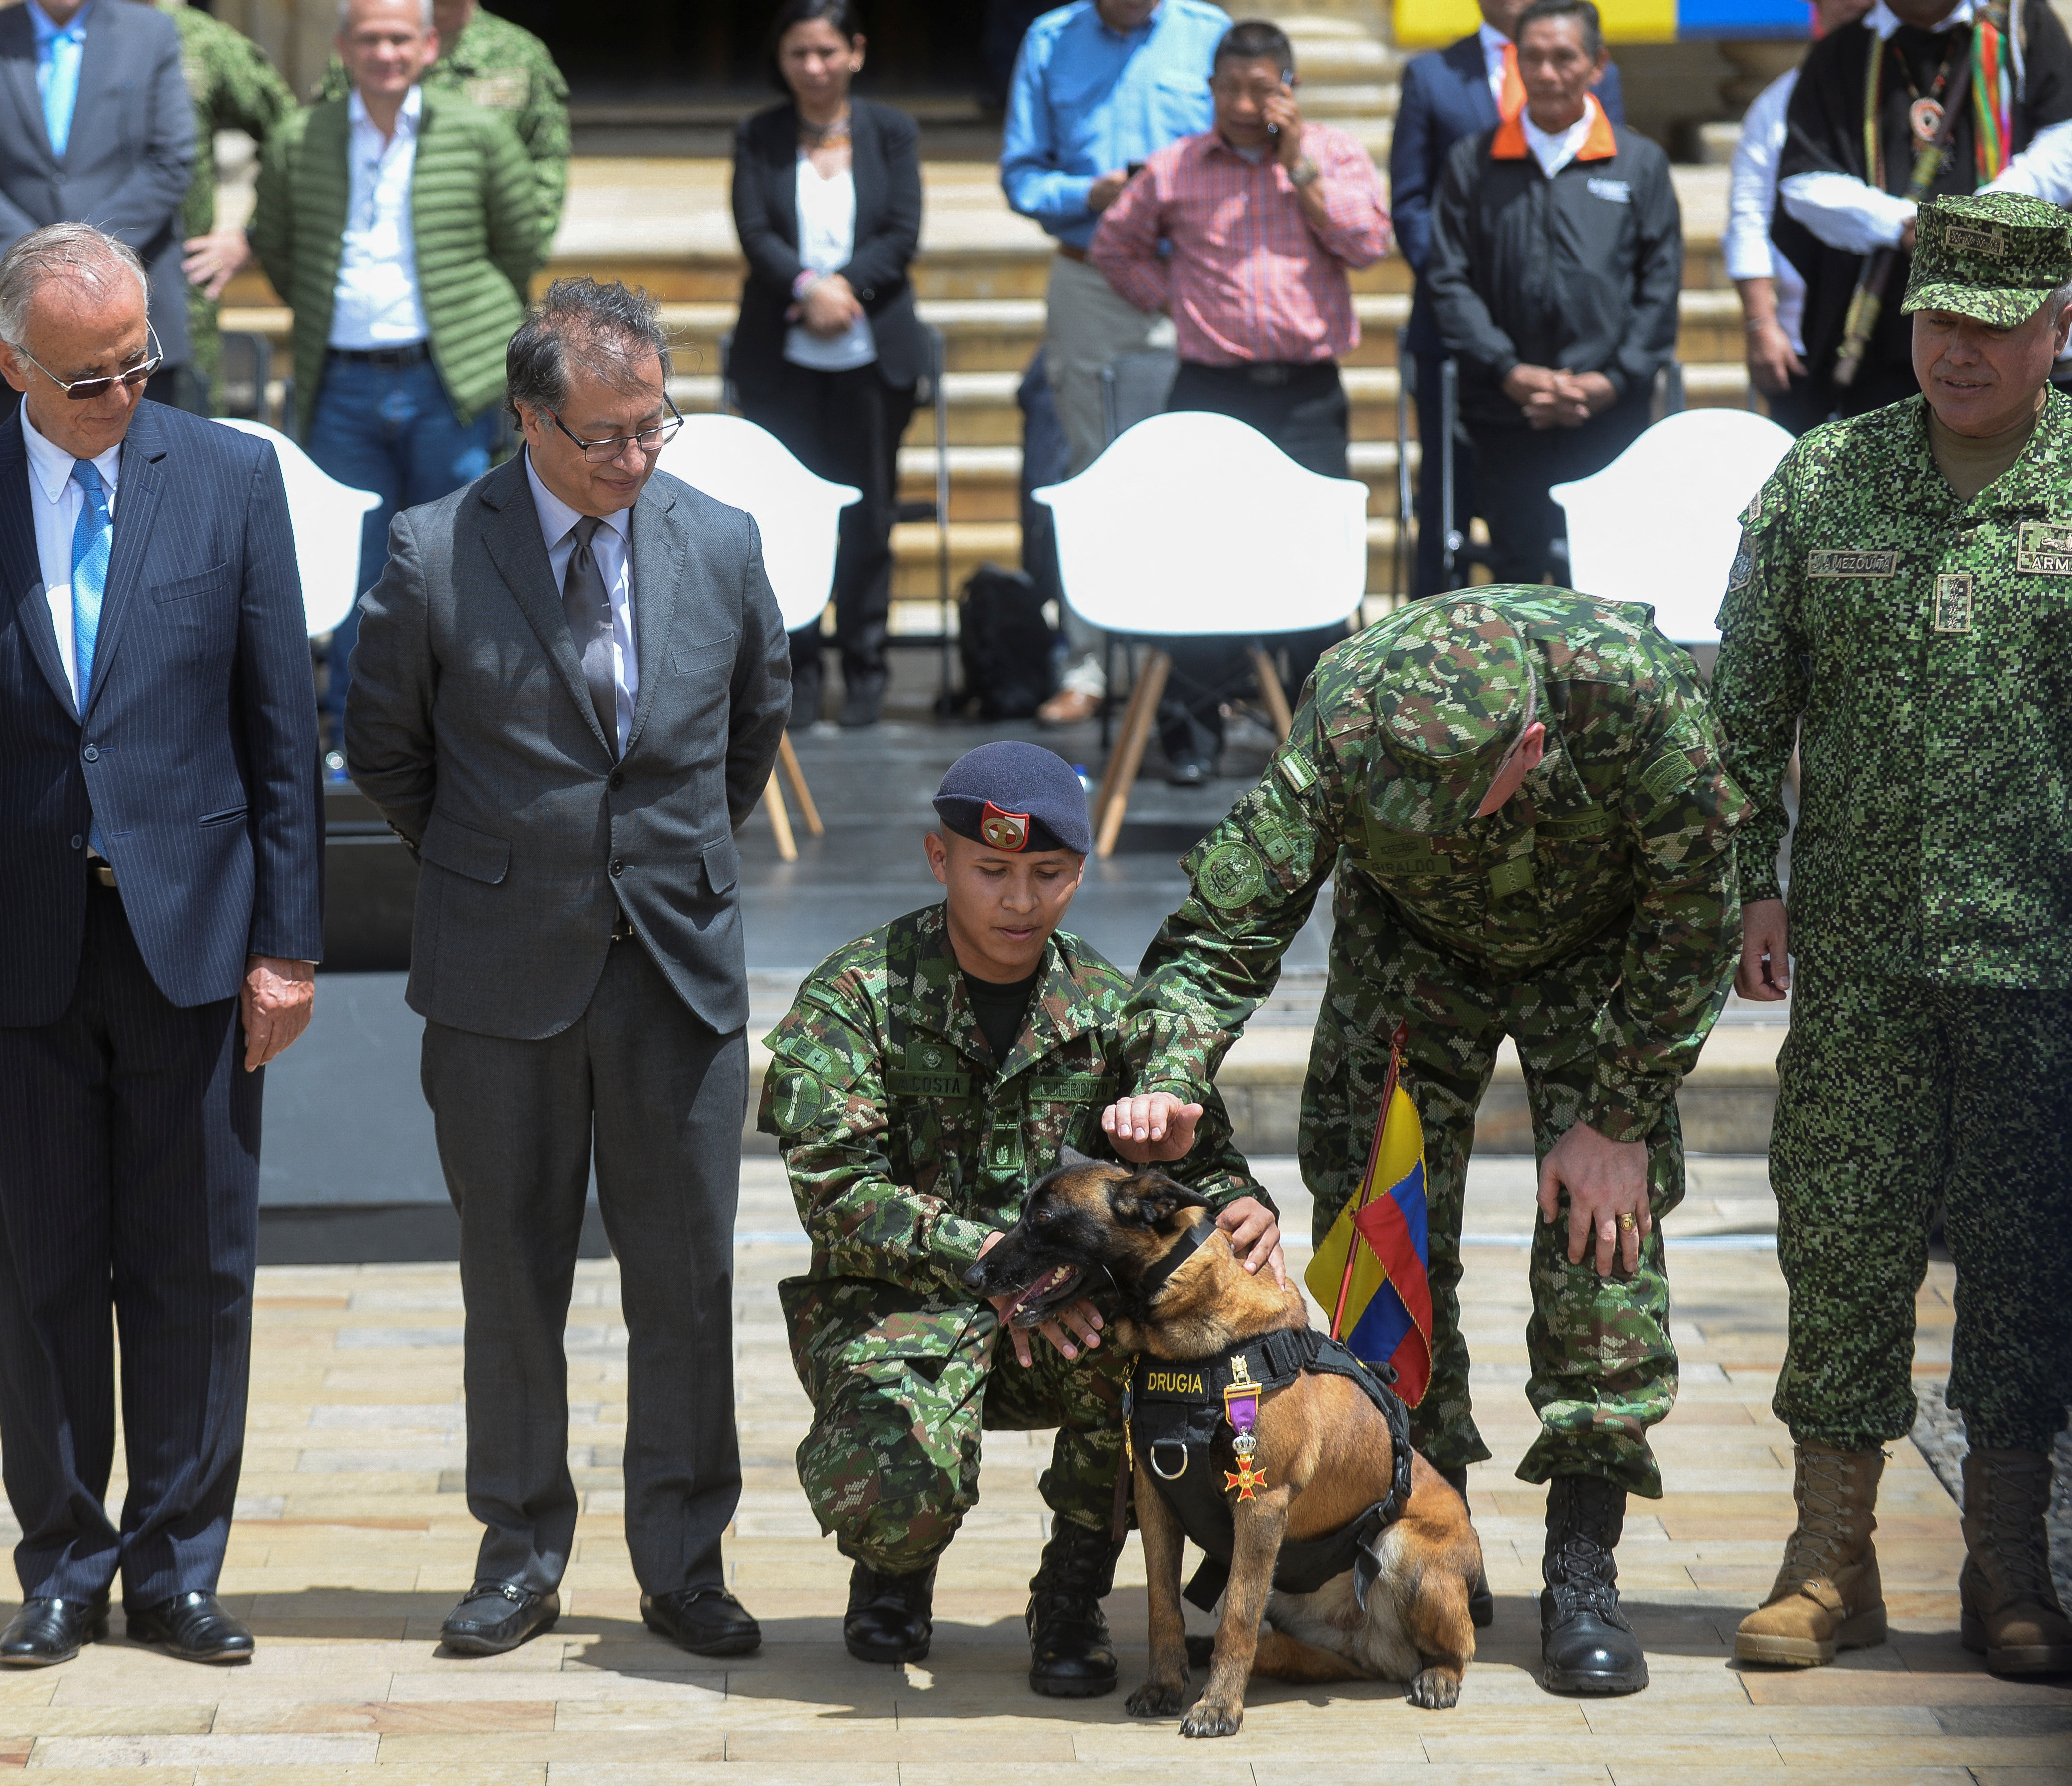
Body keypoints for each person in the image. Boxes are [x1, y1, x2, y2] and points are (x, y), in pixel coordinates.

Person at [1116, 587, 1749, 1697]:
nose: (1427, 827)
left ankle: (1581, 1559)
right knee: (1376, 1242)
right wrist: (1170, 1067)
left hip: (1597, 958)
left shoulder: (1641, 701)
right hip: (1409, 961)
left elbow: (1695, 915)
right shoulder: (1347, 710)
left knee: (1601, 1235)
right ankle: (1411, 1526)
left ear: (1533, 745)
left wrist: (1618, 1111)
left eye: (1450, 804)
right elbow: (1226, 920)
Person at [0, 223, 321, 1671]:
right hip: (12, 958)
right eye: (87, 380)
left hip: (194, 944)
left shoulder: (234, 478)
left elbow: (279, 742)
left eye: (140, 365)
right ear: (8, 366)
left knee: (195, 1266)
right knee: (46, 1269)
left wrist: (289, 945)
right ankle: (64, 1559)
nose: (121, 396)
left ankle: (178, 1565)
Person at [342, 278, 789, 1661]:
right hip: (498, 972)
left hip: (675, 967)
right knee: (512, 1275)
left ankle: (684, 1558)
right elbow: (384, 747)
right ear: (530, 419)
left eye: (655, 426)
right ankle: (521, 1549)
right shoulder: (429, 548)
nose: (634, 458)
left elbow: (750, 726)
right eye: (603, 435)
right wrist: (498, 860)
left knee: (684, 1277)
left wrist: (661, 859)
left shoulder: (719, 538)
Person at [1712, 193, 2072, 1680]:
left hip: (2038, 964)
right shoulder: (1822, 483)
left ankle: (2004, 1564)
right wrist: (1750, 876)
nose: (1956, 351)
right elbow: (1742, 701)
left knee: (2021, 1263)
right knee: (1841, 1248)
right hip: (1856, 960)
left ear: (2055, 326)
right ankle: (1827, 1557)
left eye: (1991, 326)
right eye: (1935, 319)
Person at [762, 741, 1286, 1696]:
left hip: (1064, 1318)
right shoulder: (855, 996)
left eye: (1047, 874)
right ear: (938, 859)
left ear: (1080, 873)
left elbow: (1182, 1151)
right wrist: (998, 1258)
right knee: (890, 1491)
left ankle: (1075, 1593)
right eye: (991, 870)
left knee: (1147, 1358)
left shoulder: (1102, 1004)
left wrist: (1244, 1196)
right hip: (899, 1307)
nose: (1018, 900)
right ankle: (894, 1567)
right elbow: (836, 1188)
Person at [1089, 16, 1386, 783]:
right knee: (1198, 555)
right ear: (1211, 89)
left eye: (1262, 90)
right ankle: (1191, 735)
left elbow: (1368, 245)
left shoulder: (1334, 154)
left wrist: (1300, 170)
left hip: (1306, 391)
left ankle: (1317, 733)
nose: (1245, 105)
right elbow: (1113, 246)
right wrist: (1174, 303)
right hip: (1210, 391)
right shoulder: (1176, 166)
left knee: (1311, 553)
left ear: (1289, 90)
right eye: (1229, 88)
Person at [250, 0, 540, 747]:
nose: (385, 52)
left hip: (444, 383)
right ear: (343, 46)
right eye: (369, 37)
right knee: (358, 567)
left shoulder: (477, 134)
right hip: (342, 383)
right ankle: (361, 734)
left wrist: (473, 342)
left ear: (429, 46)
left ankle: (468, 731)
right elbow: (280, 250)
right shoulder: (297, 140)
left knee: (459, 560)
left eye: (399, 38)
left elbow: (517, 245)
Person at [999, 0, 1229, 726]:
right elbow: (1021, 175)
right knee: (1089, 474)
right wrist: (1086, 192)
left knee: (1194, 473)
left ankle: (1196, 680)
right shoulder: (1049, 40)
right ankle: (1087, 665)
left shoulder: (1210, 33)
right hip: (1090, 275)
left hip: (1191, 278)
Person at [1424, 0, 1679, 589]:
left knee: (1611, 577)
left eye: (1563, 57)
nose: (1546, 73)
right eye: (1531, 58)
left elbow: (1660, 287)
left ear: (1597, 65)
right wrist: (1510, 371)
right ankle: (1524, 687)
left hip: (1609, 414)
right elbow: (1448, 280)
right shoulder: (1472, 162)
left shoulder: (1639, 165)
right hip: (1505, 412)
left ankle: (1608, 688)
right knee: (1517, 574)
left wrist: (1610, 381)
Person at [729, 0, 922, 731]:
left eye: (825, 52)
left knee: (869, 516)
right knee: (786, 516)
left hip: (872, 354)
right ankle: (795, 669)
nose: (813, 68)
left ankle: (866, 665)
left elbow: (902, 230)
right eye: (797, 55)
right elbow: (754, 228)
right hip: (783, 358)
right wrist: (807, 287)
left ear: (856, 53)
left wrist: (845, 289)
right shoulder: (758, 134)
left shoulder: (892, 131)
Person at [1389, 0, 1623, 596]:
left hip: (1578, 355)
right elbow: (1412, 201)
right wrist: (1470, 286)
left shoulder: (1598, 71)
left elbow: (1604, 194)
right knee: (1451, 503)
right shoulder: (1432, 75)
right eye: (1533, 59)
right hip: (1459, 342)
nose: (1547, 72)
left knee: (1581, 522)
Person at [1775, 0, 2072, 423]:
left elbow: (2065, 136)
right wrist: (1904, 225)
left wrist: (1979, 216)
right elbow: (1803, 181)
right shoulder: (1842, 51)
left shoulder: (2021, 26)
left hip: (2012, 322)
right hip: (1882, 336)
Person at [0, 0, 193, 442]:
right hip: (11, 324)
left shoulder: (151, 34)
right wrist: (36, 265)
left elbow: (171, 160)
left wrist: (89, 260)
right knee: (4, 495)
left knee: (144, 495)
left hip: (127, 341)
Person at [316, 0, 568, 252]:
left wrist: (517, 254)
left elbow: (545, 162)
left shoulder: (520, 55)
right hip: (371, 248)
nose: (388, 50)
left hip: (474, 259)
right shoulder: (370, 54)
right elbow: (325, 150)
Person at [1726, 0, 1872, 434]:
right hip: (1804, 340)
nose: (1856, 4)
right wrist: (1760, 323)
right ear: (1817, 7)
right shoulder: (1776, 105)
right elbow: (1748, 216)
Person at [149, 0, 293, 408]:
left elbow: (289, 134)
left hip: (180, 300)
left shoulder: (202, 42)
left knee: (184, 455)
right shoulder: (55, 37)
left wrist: (251, 235)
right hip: (72, 285)